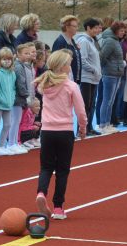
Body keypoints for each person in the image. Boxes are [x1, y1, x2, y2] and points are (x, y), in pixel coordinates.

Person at [34, 50, 88, 221]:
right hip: (64, 131)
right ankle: (58, 207)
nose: (70, 65)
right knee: (62, 170)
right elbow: (80, 111)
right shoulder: (71, 86)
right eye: (69, 63)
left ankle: (41, 192)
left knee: (46, 167)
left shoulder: (44, 84)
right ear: (63, 66)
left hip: (47, 131)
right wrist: (82, 127)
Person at [98, 21, 127, 135]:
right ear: (115, 30)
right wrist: (107, 67)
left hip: (116, 73)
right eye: (121, 31)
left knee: (110, 100)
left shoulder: (115, 40)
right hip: (110, 74)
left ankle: (107, 123)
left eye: (124, 31)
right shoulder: (110, 41)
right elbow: (102, 56)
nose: (123, 33)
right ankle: (103, 124)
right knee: (107, 100)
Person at [74, 18, 103, 136]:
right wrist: (94, 70)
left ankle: (89, 127)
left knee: (91, 104)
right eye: (95, 28)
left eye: (98, 28)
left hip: (94, 78)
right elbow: (82, 59)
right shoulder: (84, 41)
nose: (97, 30)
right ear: (88, 28)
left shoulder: (91, 41)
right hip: (87, 78)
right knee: (85, 104)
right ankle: (81, 129)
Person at [7, 42, 35, 155]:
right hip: (17, 99)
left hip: (20, 98)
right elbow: (20, 83)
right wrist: (26, 95)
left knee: (17, 121)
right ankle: (11, 143)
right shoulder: (18, 67)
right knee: (15, 121)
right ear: (18, 54)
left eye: (29, 53)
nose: (28, 55)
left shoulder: (23, 65)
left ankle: (15, 142)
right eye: (25, 53)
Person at [0, 47, 17, 156]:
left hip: (9, 104)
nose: (7, 61)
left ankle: (1, 145)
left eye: (9, 59)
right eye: (4, 59)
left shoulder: (12, 74)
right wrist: (1, 99)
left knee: (7, 125)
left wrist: (12, 99)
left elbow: (13, 88)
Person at [52, 15, 82, 84]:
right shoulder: (60, 42)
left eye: (77, 26)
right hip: (64, 81)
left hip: (73, 79)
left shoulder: (72, 41)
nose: (77, 28)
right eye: (75, 26)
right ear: (67, 27)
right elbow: (56, 63)